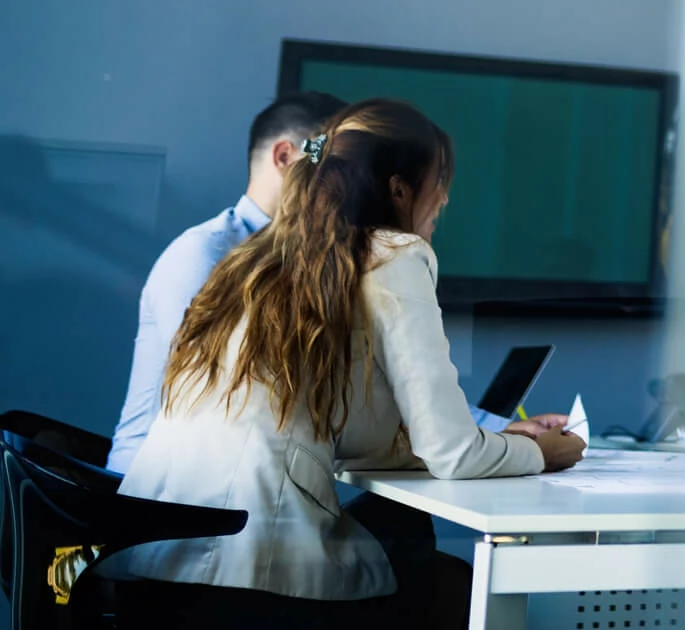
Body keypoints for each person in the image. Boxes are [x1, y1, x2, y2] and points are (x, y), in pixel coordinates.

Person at [105, 99, 584, 629]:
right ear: (400, 188)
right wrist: (539, 453)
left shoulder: (255, 257)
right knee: (450, 581)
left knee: (417, 550)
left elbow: (332, 422)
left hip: (147, 566)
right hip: (252, 577)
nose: (445, 198)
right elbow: (451, 452)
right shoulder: (395, 254)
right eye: (440, 180)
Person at [109, 90, 347, 474]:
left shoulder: (307, 261)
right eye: (332, 163)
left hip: (239, 484)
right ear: (286, 157)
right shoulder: (202, 254)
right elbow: (230, 395)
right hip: (157, 497)